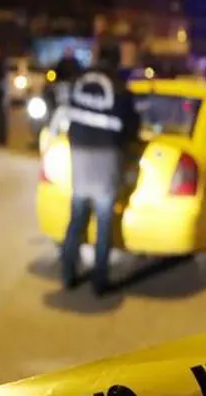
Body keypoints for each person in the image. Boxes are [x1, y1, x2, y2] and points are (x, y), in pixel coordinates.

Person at [61, 43, 140, 296]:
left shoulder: (79, 81)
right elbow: (131, 127)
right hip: (106, 157)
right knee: (104, 220)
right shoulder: (120, 87)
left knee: (77, 215)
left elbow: (68, 113)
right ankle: (99, 281)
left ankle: (67, 274)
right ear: (116, 61)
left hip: (80, 154)